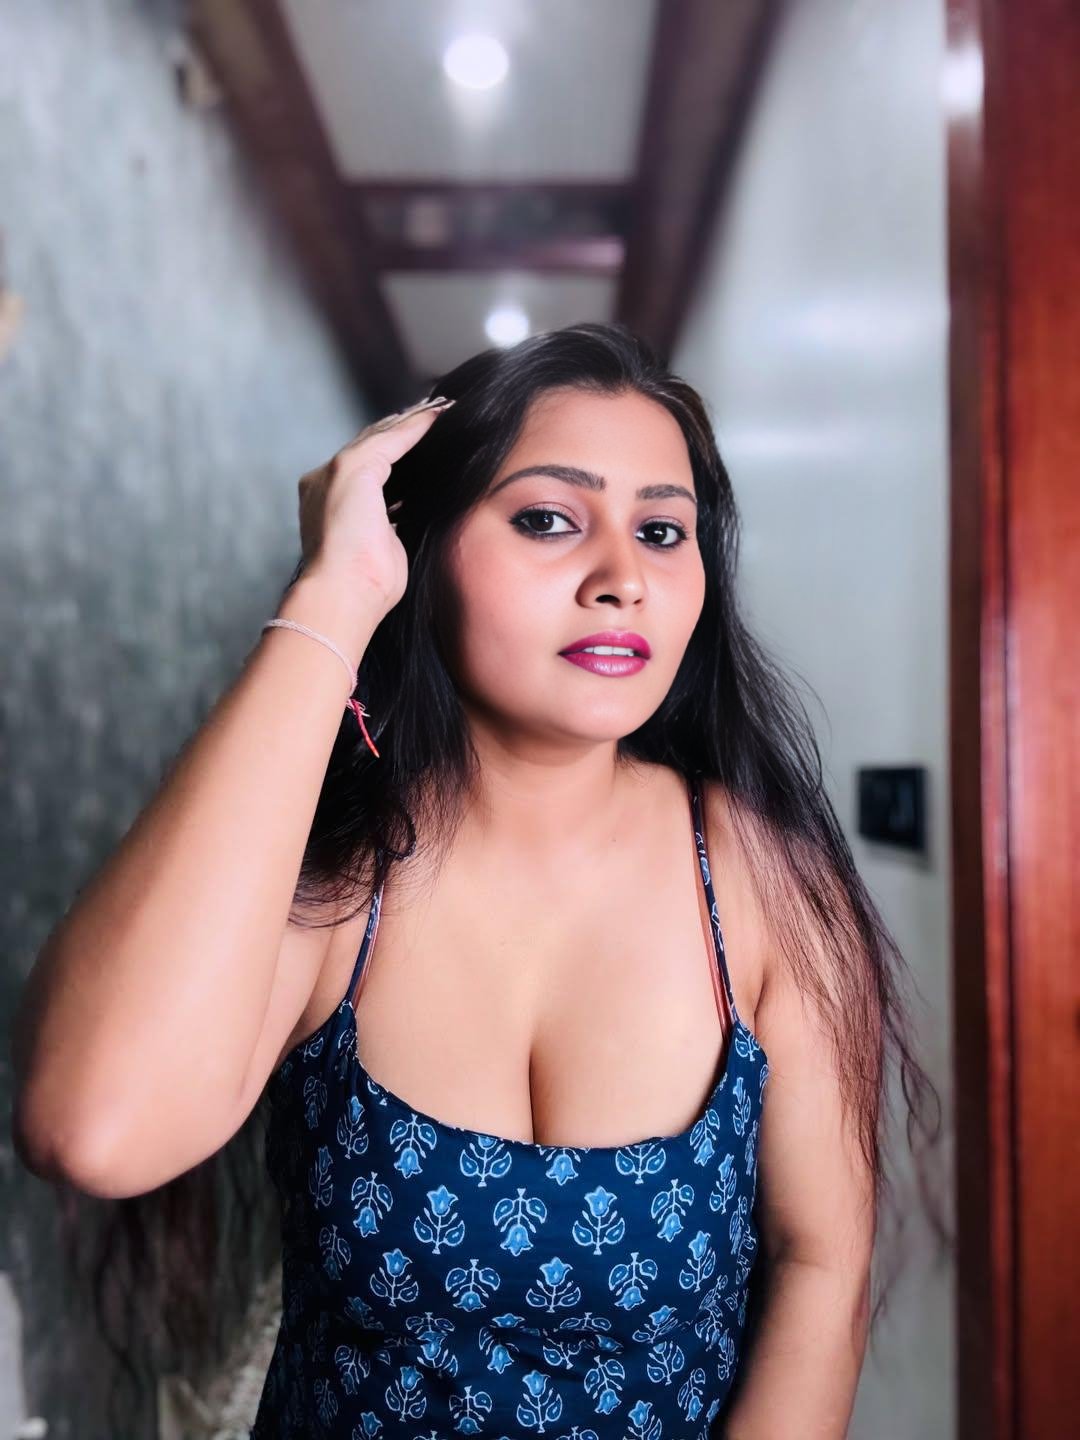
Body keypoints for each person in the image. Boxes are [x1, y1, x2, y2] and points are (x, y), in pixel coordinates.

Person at [13, 323, 940, 1437]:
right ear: (422, 545)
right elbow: (94, 1129)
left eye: (662, 530)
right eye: (548, 519)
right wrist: (336, 595)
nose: (622, 580)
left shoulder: (763, 886)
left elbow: (821, 1268)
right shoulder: (338, 884)